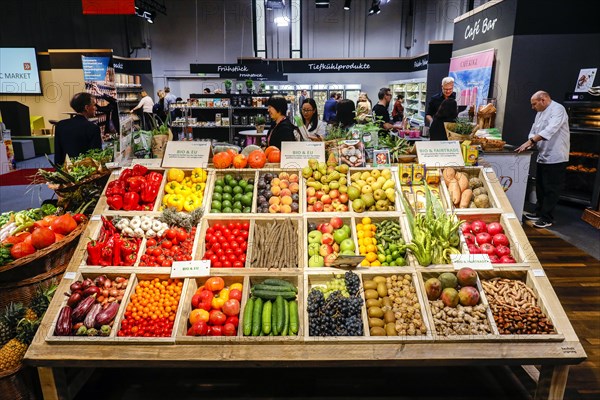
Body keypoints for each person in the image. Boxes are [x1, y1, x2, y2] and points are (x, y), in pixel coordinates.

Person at [516, 90, 570, 228]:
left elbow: (551, 129)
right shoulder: (540, 112)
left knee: (551, 189)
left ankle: (547, 218)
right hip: (543, 154)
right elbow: (534, 129)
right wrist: (531, 140)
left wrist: (531, 141)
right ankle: (539, 212)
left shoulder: (558, 109)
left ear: (543, 100)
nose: (532, 107)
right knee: (541, 186)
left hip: (556, 156)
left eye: (534, 104)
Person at [54, 92, 102, 166]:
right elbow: (96, 155)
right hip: (85, 171)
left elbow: (58, 153)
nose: (95, 108)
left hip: (66, 170)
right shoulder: (92, 128)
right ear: (86, 108)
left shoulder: (60, 125)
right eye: (93, 105)